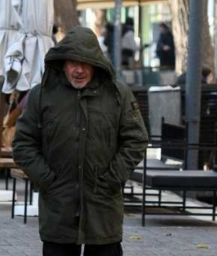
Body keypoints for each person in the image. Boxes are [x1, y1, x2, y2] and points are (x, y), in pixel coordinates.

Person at [13, 27, 148, 256]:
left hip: (103, 209)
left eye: (85, 63)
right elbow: (22, 144)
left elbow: (136, 140)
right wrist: (46, 180)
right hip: (58, 209)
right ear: (62, 63)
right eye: (73, 63)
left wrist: (113, 178)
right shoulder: (42, 95)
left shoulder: (118, 95)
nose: (79, 70)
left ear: (96, 64)